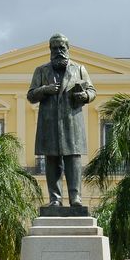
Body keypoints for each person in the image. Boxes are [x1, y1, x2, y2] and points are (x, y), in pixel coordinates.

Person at [27, 33, 96, 208]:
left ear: (68, 49)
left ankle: (76, 198)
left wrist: (85, 95)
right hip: (49, 123)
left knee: (73, 160)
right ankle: (55, 199)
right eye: (55, 48)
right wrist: (45, 89)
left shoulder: (79, 69)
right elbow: (31, 96)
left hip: (71, 123)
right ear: (50, 50)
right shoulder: (41, 71)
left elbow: (92, 91)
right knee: (52, 160)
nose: (58, 51)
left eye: (61, 48)